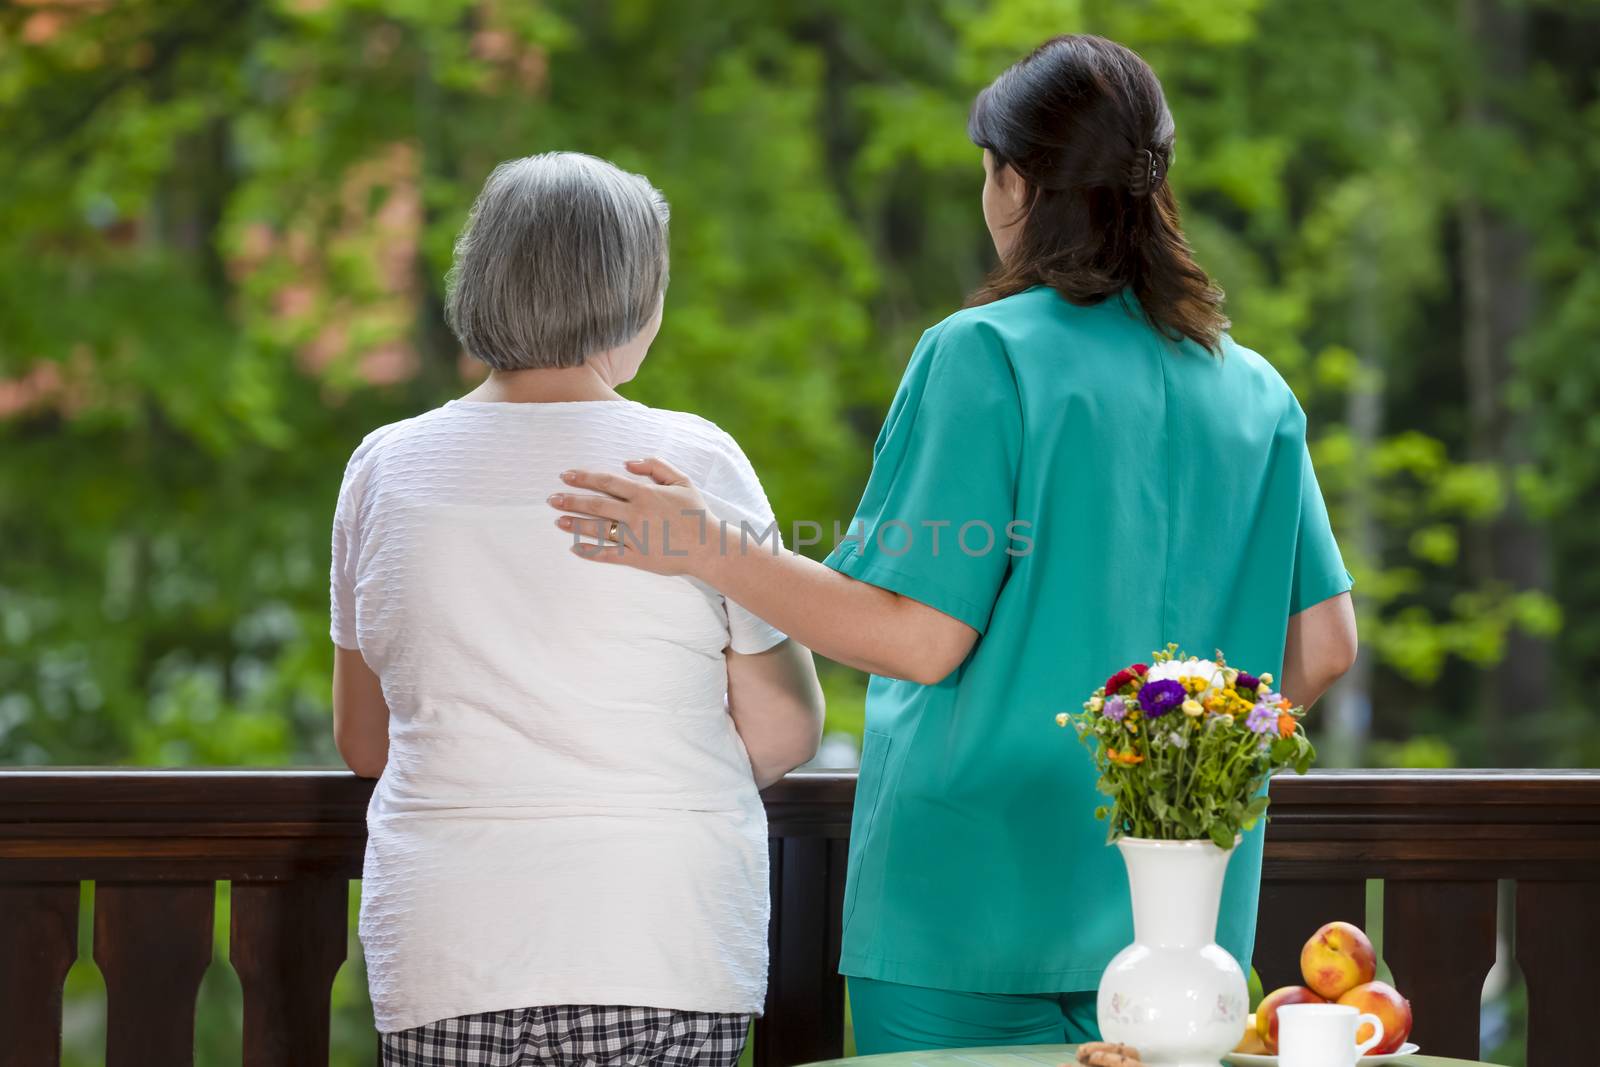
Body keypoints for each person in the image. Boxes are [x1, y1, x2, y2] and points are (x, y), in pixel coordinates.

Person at [546, 35, 1358, 1055]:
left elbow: (921, 636)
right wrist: (1175, 755)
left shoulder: (979, 354)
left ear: (1014, 180)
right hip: (1178, 932)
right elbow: (1323, 648)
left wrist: (706, 546)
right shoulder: (1256, 392)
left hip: (967, 906)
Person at [329, 151, 825, 1067]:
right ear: (636, 297)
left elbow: (366, 740)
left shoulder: (385, 469)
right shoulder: (691, 463)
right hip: (659, 931)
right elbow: (787, 729)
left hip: (447, 943)